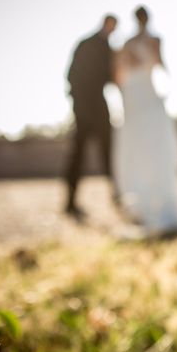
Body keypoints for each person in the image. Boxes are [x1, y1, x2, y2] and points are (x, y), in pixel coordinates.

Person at [113, 6, 177, 232]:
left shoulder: (147, 41)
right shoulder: (135, 42)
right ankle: (140, 201)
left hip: (141, 90)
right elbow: (122, 72)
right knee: (140, 142)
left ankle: (152, 198)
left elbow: (156, 65)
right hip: (137, 93)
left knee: (154, 141)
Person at [64, 14, 118, 218]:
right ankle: (70, 201)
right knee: (78, 154)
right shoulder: (85, 44)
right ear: (105, 24)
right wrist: (77, 103)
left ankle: (115, 196)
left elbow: (111, 77)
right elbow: (71, 75)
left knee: (109, 152)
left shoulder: (110, 49)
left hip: (100, 107)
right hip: (84, 107)